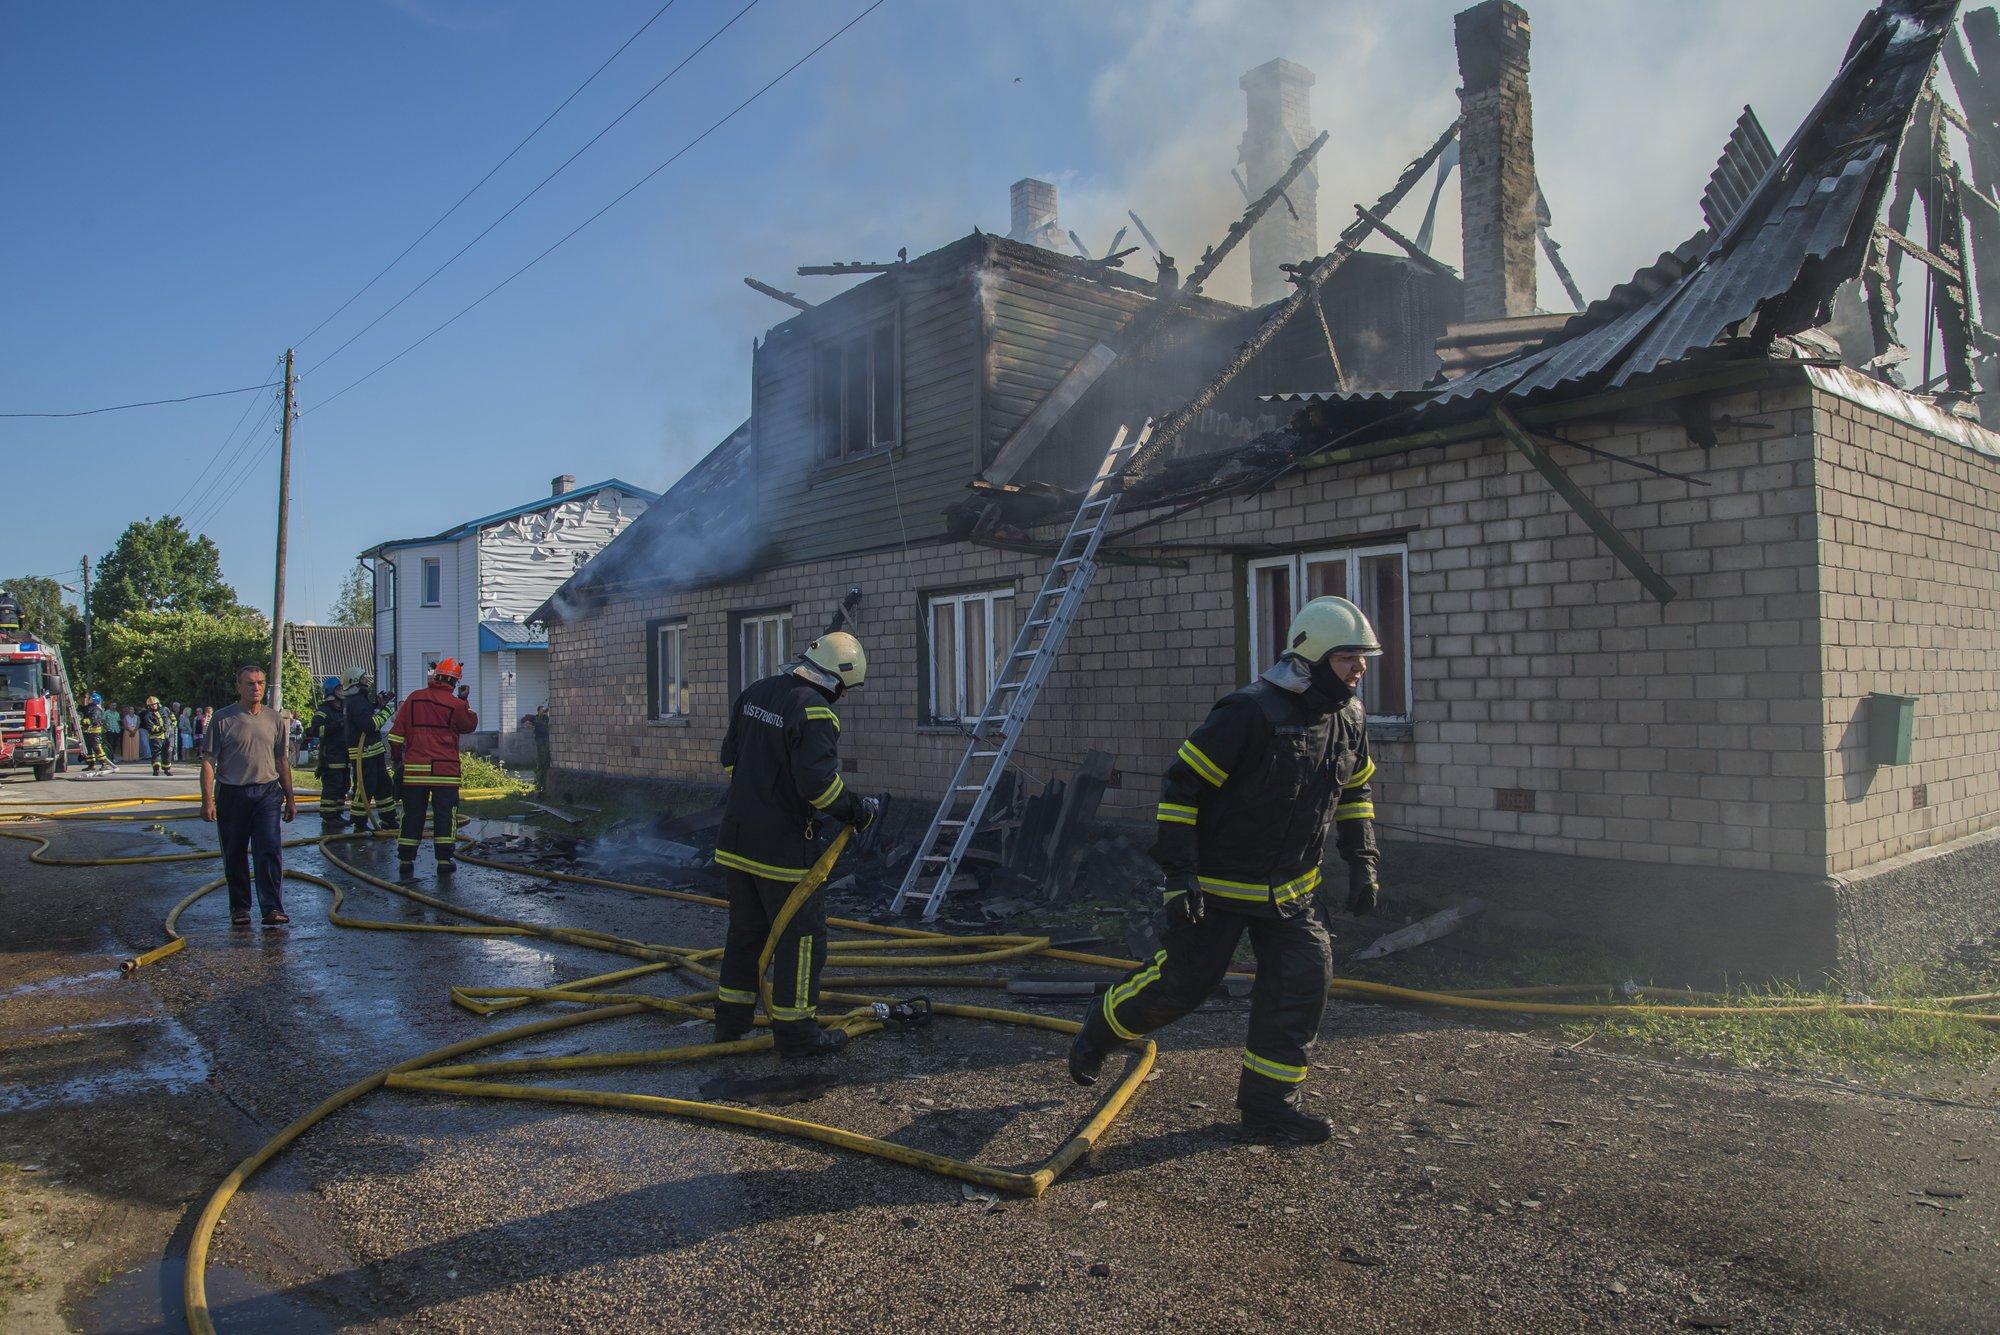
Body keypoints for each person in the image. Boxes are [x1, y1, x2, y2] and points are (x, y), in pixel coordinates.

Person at [1067, 596, 1385, 1144]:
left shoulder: (1350, 720)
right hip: (1215, 888)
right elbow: (1181, 788)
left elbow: (1355, 791)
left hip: (1293, 892)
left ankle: (1268, 1108)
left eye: (1364, 658)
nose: (1360, 668)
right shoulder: (1249, 712)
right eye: (1348, 657)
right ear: (1310, 658)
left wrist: (1363, 863)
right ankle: (1102, 1027)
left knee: (1302, 986)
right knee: (1184, 986)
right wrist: (1178, 876)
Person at [712, 632, 880, 1059]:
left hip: (735, 840)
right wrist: (856, 810)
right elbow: (818, 787)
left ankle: (730, 1023)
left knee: (747, 933)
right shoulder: (816, 711)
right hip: (783, 852)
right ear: (838, 681)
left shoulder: (756, 692)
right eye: (845, 689)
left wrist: (758, 794)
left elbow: (729, 759)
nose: (843, 696)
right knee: (801, 938)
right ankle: (796, 1033)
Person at [199, 665, 297, 927]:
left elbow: (281, 759)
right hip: (232, 793)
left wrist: (290, 797)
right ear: (238, 687)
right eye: (250, 684)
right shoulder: (223, 719)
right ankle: (240, 909)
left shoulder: (274, 719)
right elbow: (209, 761)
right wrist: (207, 800)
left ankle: (272, 908)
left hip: (266, 793)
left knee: (269, 850)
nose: (256, 688)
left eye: (261, 683)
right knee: (235, 853)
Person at [386, 658, 478, 871]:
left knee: (412, 814)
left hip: (415, 772)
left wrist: (398, 761)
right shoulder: (455, 704)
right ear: (454, 683)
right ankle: (444, 861)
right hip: (445, 772)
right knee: (445, 815)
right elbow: (469, 725)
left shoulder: (413, 699)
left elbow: (396, 735)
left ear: (435, 676)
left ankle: (406, 860)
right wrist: (464, 700)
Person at [341, 670, 400, 832]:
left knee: (384, 786)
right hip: (364, 753)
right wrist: (387, 711)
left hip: (372, 751)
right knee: (366, 787)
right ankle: (359, 822)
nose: (367, 680)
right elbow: (370, 725)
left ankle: (389, 820)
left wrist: (379, 705)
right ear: (355, 682)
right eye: (363, 678)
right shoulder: (356, 701)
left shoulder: (358, 700)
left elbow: (366, 716)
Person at [303, 678, 351, 824]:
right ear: (331, 692)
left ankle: (337, 814)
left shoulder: (343, 709)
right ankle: (328, 816)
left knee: (344, 786)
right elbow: (316, 731)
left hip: (344, 757)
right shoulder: (323, 711)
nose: (342, 692)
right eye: (338, 689)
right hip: (330, 758)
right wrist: (337, 724)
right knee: (332, 787)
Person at [142, 696, 177, 776]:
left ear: (158, 703)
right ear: (149, 706)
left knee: (168, 753)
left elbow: (173, 718)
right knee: (156, 753)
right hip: (156, 737)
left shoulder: (165, 709)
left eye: (154, 704)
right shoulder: (148, 715)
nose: (153, 706)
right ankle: (156, 769)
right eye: (151, 705)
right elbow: (151, 727)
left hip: (167, 736)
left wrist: (173, 724)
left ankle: (166, 769)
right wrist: (160, 728)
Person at [79, 692, 113, 774]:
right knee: (88, 748)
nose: (88, 700)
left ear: (94, 700)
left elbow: (94, 720)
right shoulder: (89, 707)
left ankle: (104, 763)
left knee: (97, 747)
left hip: (94, 731)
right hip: (87, 731)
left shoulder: (96, 709)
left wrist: (84, 721)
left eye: (90, 699)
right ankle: (91, 764)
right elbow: (82, 709)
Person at [528, 704, 551, 789]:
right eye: (542, 710)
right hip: (539, 737)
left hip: (546, 737)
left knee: (546, 751)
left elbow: (545, 724)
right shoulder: (535, 718)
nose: (543, 711)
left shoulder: (546, 717)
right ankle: (540, 766)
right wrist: (529, 725)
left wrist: (546, 713)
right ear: (538, 711)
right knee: (540, 752)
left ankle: (545, 765)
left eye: (544, 710)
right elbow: (532, 724)